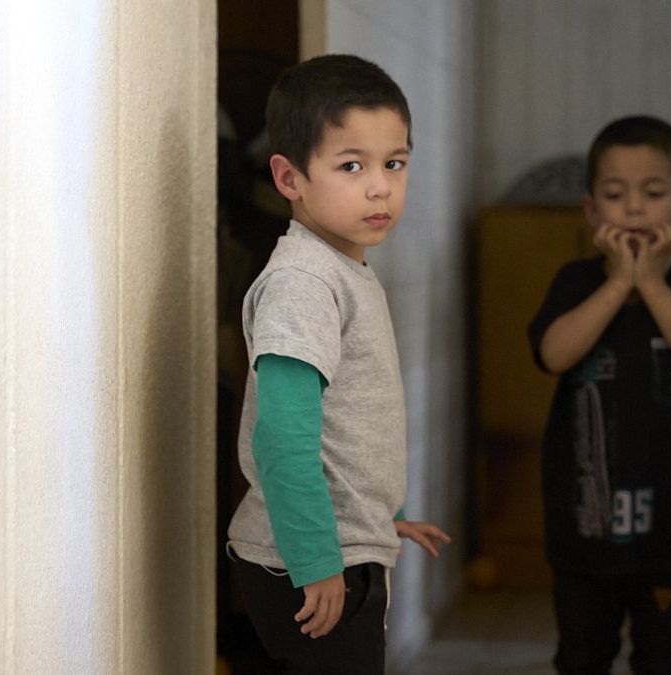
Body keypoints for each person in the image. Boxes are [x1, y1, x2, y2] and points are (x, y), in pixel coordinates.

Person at [227, 53, 450, 674]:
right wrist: (317, 560)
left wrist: (383, 516)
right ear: (289, 177)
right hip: (306, 561)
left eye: (394, 163)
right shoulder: (303, 283)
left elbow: (348, 422)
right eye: (351, 166)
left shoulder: (343, 270)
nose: (380, 186)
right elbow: (282, 439)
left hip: (337, 546)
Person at [527, 115, 671, 674]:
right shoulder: (576, 282)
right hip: (585, 525)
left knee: (667, 657)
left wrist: (651, 283)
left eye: (654, 193)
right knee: (582, 655)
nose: (635, 209)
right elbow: (554, 354)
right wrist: (620, 281)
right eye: (616, 195)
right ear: (592, 211)